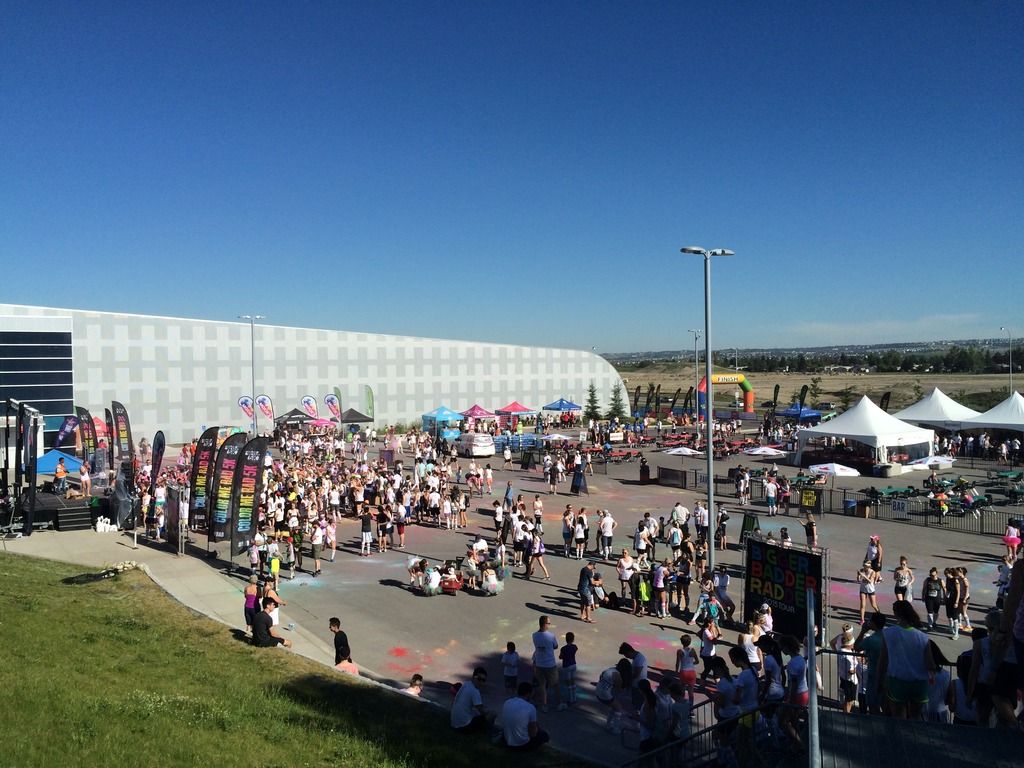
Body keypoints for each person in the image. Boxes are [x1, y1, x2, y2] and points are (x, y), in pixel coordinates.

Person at [876, 600, 935, 719]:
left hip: (898, 681)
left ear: (896, 614)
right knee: (916, 717)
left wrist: (879, 682)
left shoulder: (888, 633)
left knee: (898, 717)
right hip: (919, 684)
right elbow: (930, 664)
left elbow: (882, 661)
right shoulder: (923, 637)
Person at [502, 682, 549, 751]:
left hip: (507, 741)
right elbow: (533, 734)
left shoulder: (507, 702)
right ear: (528, 694)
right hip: (522, 745)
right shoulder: (530, 707)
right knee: (544, 735)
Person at [531, 616, 560, 712]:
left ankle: (544, 705)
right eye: (549, 623)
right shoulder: (550, 636)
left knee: (542, 685)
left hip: (539, 664)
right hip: (550, 664)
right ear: (544, 624)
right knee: (555, 684)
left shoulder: (534, 635)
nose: (549, 625)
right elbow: (555, 646)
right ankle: (559, 703)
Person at [450, 667, 488, 733]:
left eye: (483, 680)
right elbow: (482, 711)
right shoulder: (475, 691)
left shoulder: (466, 684)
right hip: (463, 727)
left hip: (454, 724)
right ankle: (488, 733)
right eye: (479, 679)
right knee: (492, 714)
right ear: (473, 677)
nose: (481, 682)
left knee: (476, 712)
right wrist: (487, 712)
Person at [674, 634, 699, 708]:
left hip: (683, 672)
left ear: (681, 642)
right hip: (691, 672)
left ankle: (682, 706)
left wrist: (676, 671)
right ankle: (691, 708)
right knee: (691, 692)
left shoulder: (680, 651)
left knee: (682, 690)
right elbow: (697, 661)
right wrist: (692, 663)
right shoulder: (693, 650)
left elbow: (677, 663)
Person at [558, 631, 578, 707]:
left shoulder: (563, 648)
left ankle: (571, 699)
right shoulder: (575, 647)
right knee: (573, 681)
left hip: (566, 666)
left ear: (566, 639)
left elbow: (560, 657)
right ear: (573, 639)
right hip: (573, 664)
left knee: (568, 683)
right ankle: (574, 698)